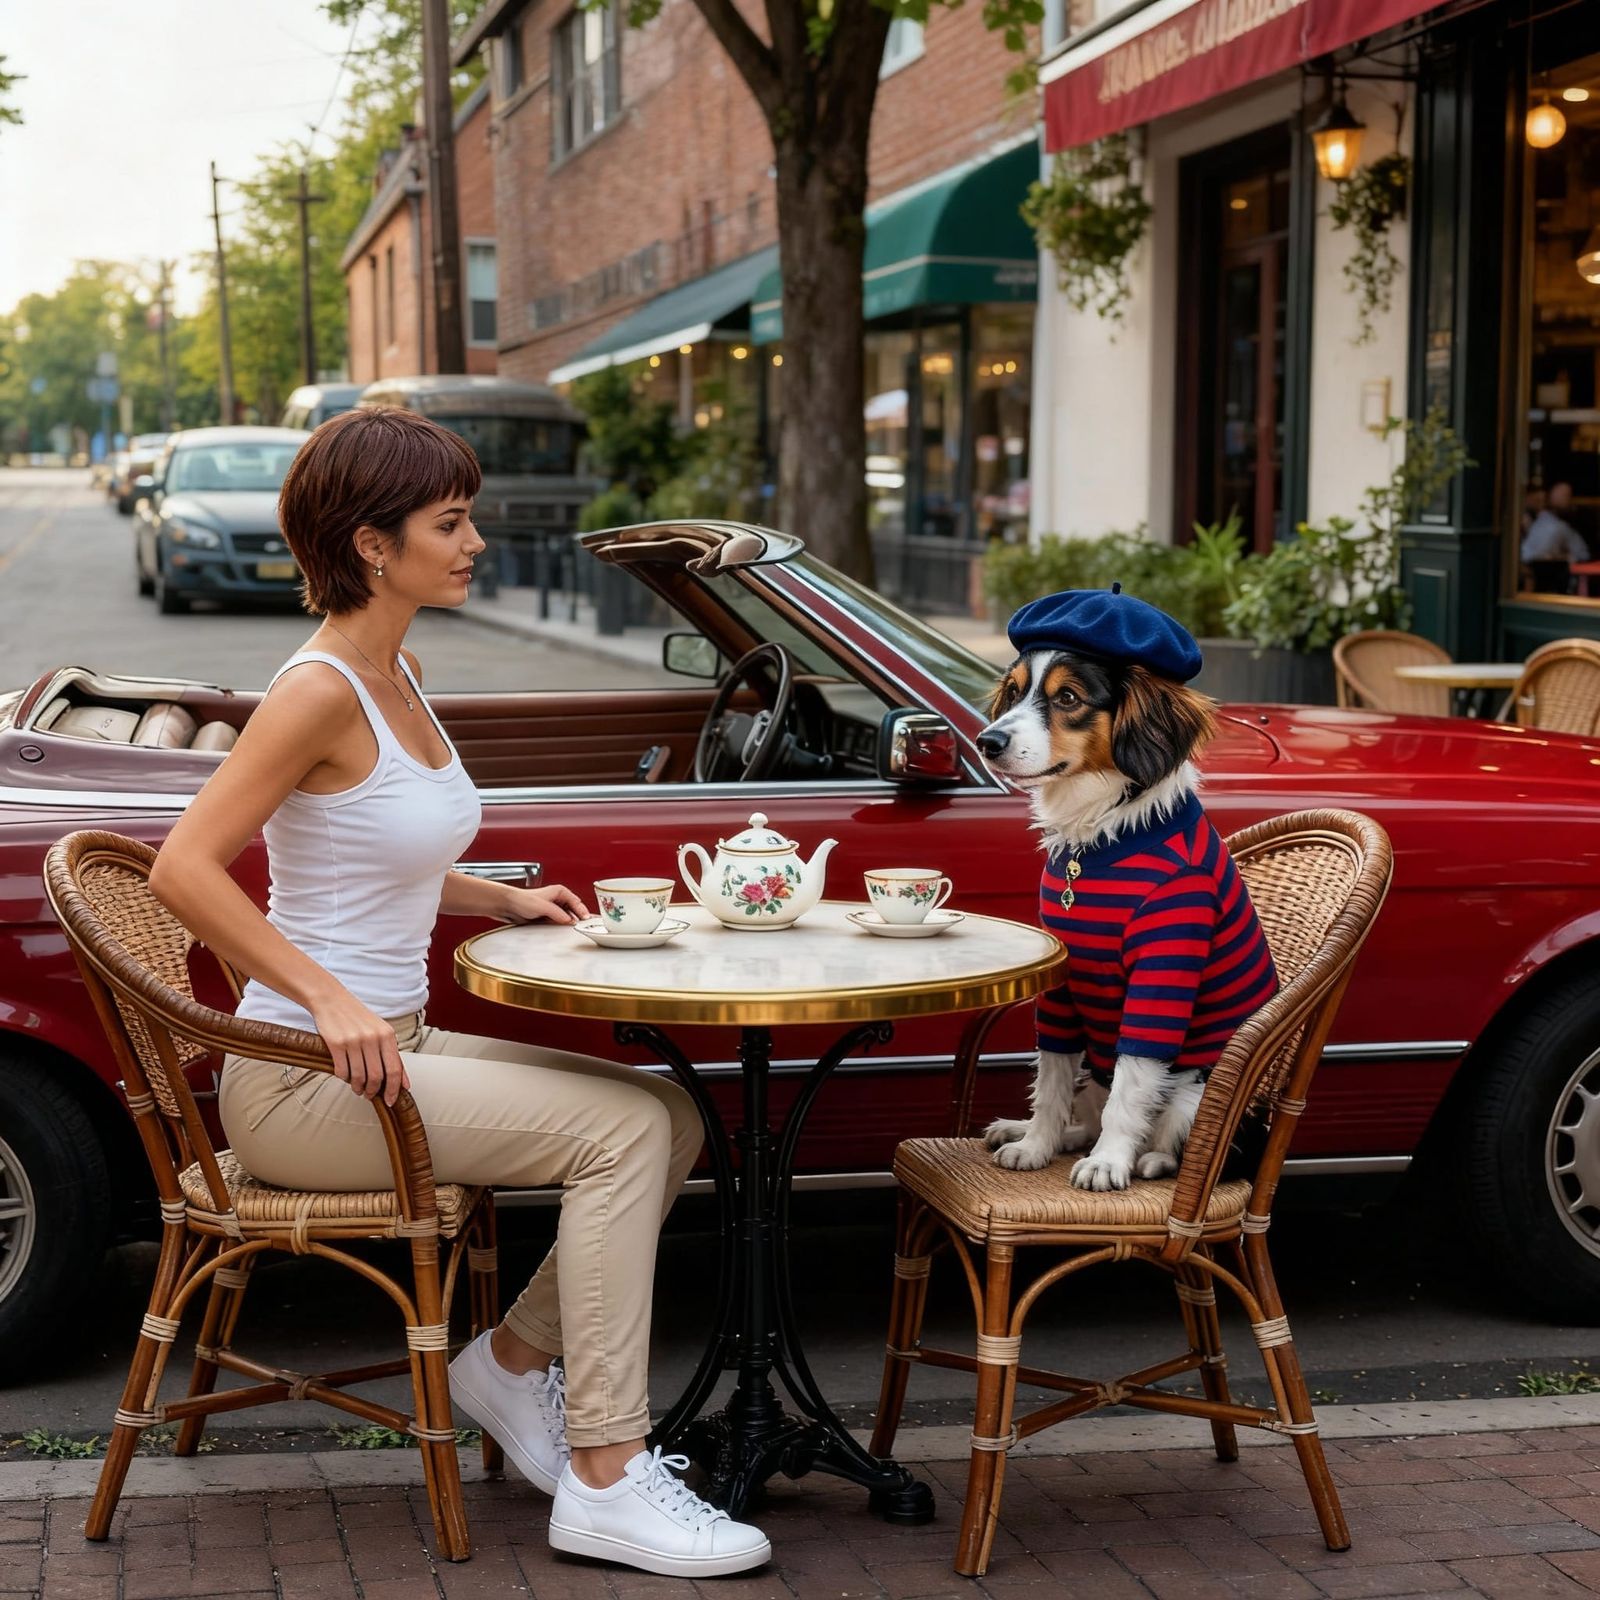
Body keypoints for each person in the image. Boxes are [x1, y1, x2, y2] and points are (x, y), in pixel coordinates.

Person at [148, 407, 771, 1580]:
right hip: (303, 1084)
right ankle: (603, 1474)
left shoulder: (401, 669)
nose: (476, 539)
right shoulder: (318, 691)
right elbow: (186, 867)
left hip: (394, 1046)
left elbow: (369, 849)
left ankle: (507, 1364)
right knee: (625, 1132)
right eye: (451, 520)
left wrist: (497, 900)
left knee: (671, 1113)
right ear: (372, 546)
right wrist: (325, 997)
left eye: (467, 516)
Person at [1522, 481, 1589, 564]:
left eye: (1568, 496)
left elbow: (1582, 554)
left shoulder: (1561, 525)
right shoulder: (1551, 525)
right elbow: (1535, 557)